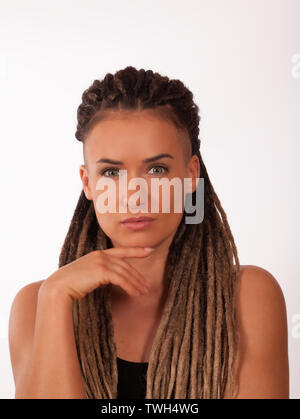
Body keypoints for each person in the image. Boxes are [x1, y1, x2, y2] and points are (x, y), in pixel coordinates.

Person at [8, 66, 289, 399]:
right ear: (87, 183)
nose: (135, 194)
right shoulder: (38, 305)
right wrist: (55, 298)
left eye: (157, 169)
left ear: (190, 174)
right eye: (111, 172)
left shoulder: (248, 298)